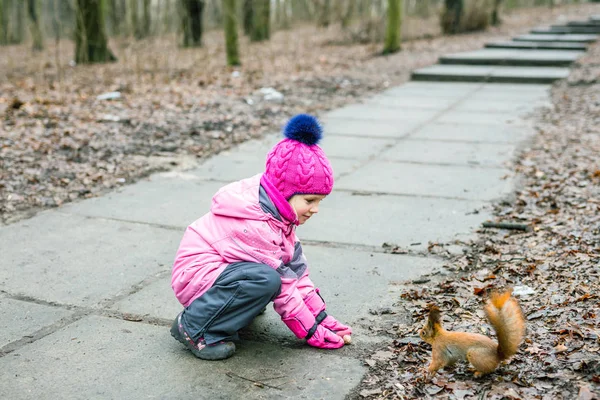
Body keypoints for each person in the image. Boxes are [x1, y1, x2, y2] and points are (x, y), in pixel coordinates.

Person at [170, 114, 352, 360]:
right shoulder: (256, 225)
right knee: (266, 279)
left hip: (223, 273)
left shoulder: (279, 216)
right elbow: (285, 285)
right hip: (196, 278)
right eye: (310, 200)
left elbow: (296, 271)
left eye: (320, 201)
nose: (316, 209)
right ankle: (195, 326)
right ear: (284, 192)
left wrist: (322, 318)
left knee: (267, 278)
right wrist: (312, 333)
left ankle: (233, 308)